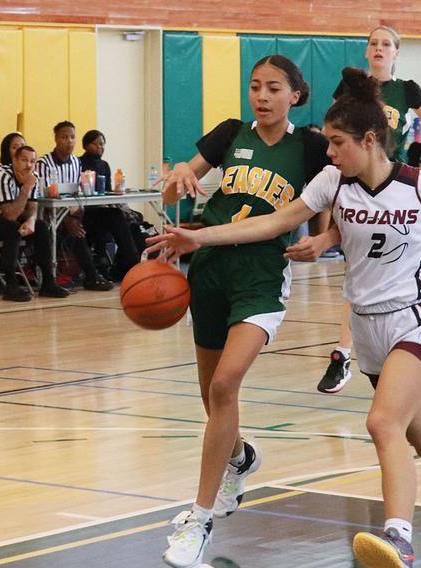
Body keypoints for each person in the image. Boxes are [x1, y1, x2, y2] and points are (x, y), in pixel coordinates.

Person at [147, 67, 421, 568]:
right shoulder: (334, 182)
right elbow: (276, 221)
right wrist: (199, 236)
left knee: (382, 424)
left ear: (369, 140)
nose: (328, 153)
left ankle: (398, 536)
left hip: (415, 321)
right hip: (369, 327)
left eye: (336, 143)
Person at [156, 55, 330, 568]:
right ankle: (240, 458)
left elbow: (342, 204)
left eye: (273, 87)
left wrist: (325, 240)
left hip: (261, 275)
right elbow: (171, 190)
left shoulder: (313, 146)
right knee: (213, 398)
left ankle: (200, 519)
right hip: (208, 267)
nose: (262, 95)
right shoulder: (230, 135)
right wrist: (179, 177)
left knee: (227, 384)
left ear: (295, 95)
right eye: (255, 86)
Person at [322, 25, 421, 394]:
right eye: (373, 43)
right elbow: (336, 126)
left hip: (398, 186)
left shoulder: (406, 90)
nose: (379, 48)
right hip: (359, 183)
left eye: (386, 44)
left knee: (400, 271)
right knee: (358, 268)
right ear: (366, 51)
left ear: (397, 53)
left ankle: (413, 340)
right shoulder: (351, 89)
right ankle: (343, 352)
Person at [0, 145, 70, 300]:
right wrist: (26, 188)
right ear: (14, 160)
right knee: (12, 228)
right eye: (24, 160)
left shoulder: (32, 175)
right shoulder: (0, 176)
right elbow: (10, 214)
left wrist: (31, 221)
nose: (28, 165)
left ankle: (48, 283)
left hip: (3, 222)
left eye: (32, 161)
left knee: (41, 227)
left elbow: (31, 208)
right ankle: (11, 286)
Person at [35, 121, 114, 291]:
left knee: (99, 222)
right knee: (76, 233)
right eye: (64, 137)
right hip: (49, 218)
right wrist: (67, 221)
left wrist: (74, 218)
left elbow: (79, 195)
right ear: (56, 139)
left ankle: (108, 269)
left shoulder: (76, 163)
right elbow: (45, 199)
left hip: (72, 215)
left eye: (72, 137)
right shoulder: (44, 163)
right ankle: (91, 276)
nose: (69, 141)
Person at [79, 130, 140, 280]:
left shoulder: (104, 165)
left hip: (100, 209)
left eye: (102, 144)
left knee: (128, 218)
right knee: (114, 217)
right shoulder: (79, 163)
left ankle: (126, 262)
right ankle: (131, 261)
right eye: (96, 144)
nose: (100, 147)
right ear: (86, 145)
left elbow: (107, 191)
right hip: (83, 212)